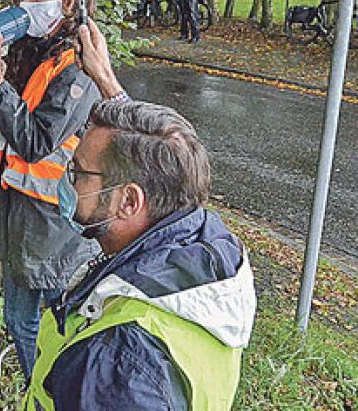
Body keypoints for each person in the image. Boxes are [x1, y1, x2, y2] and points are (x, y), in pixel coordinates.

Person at [22, 20, 257, 410]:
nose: (69, 180)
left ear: (128, 202)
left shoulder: (119, 365)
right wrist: (106, 81)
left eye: (78, 173)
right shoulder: (207, 248)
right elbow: (168, 153)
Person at [0, 0, 100, 380]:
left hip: (56, 228)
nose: (27, 4)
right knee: (20, 323)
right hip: (17, 219)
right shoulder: (25, 53)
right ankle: (37, 391)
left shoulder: (79, 63)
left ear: (67, 2)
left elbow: (38, 142)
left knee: (62, 327)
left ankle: (59, 395)